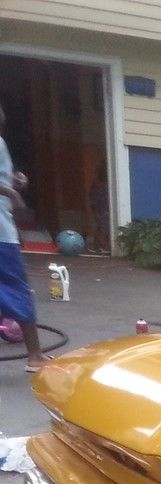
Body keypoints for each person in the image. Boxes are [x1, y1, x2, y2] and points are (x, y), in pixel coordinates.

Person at [0, 102, 47, 372]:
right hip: (2, 237)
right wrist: (12, 194)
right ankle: (35, 357)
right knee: (17, 289)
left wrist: (15, 181)